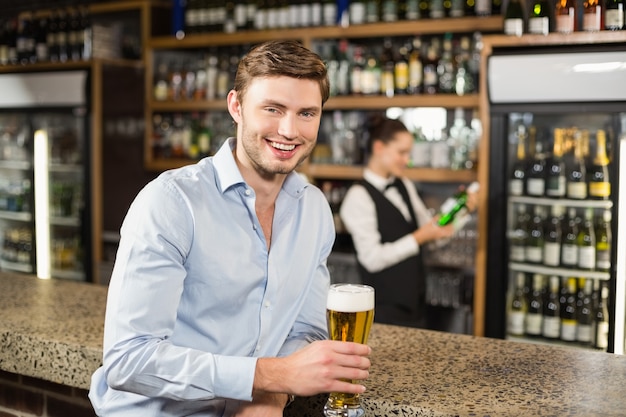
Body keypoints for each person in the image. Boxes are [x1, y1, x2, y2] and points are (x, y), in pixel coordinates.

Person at [89, 40, 371, 416]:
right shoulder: (172, 201)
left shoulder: (314, 210)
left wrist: (271, 392)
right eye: (273, 109)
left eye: (307, 113)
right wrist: (270, 377)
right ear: (236, 106)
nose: (289, 131)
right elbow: (129, 359)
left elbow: (305, 330)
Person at [339, 115, 477, 329]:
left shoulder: (404, 185)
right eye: (401, 153)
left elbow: (435, 235)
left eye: (408, 153)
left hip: (416, 307)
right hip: (382, 314)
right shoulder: (358, 197)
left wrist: (462, 210)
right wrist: (419, 237)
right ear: (378, 147)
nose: (407, 160)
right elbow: (371, 259)